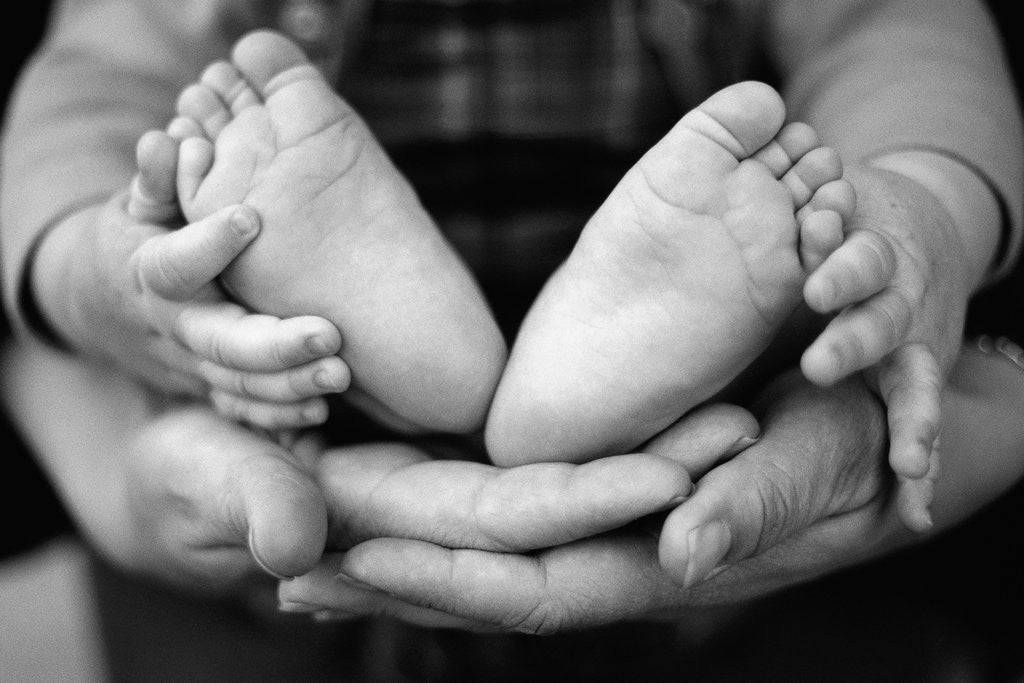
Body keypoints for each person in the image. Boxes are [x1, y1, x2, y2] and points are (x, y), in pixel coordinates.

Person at [0, 0, 1021, 678]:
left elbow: (897, 30)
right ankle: (430, 327)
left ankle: (615, 343)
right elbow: (897, 35)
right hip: (283, 411)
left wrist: (920, 211)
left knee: (800, 282)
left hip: (705, 417)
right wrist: (102, 276)